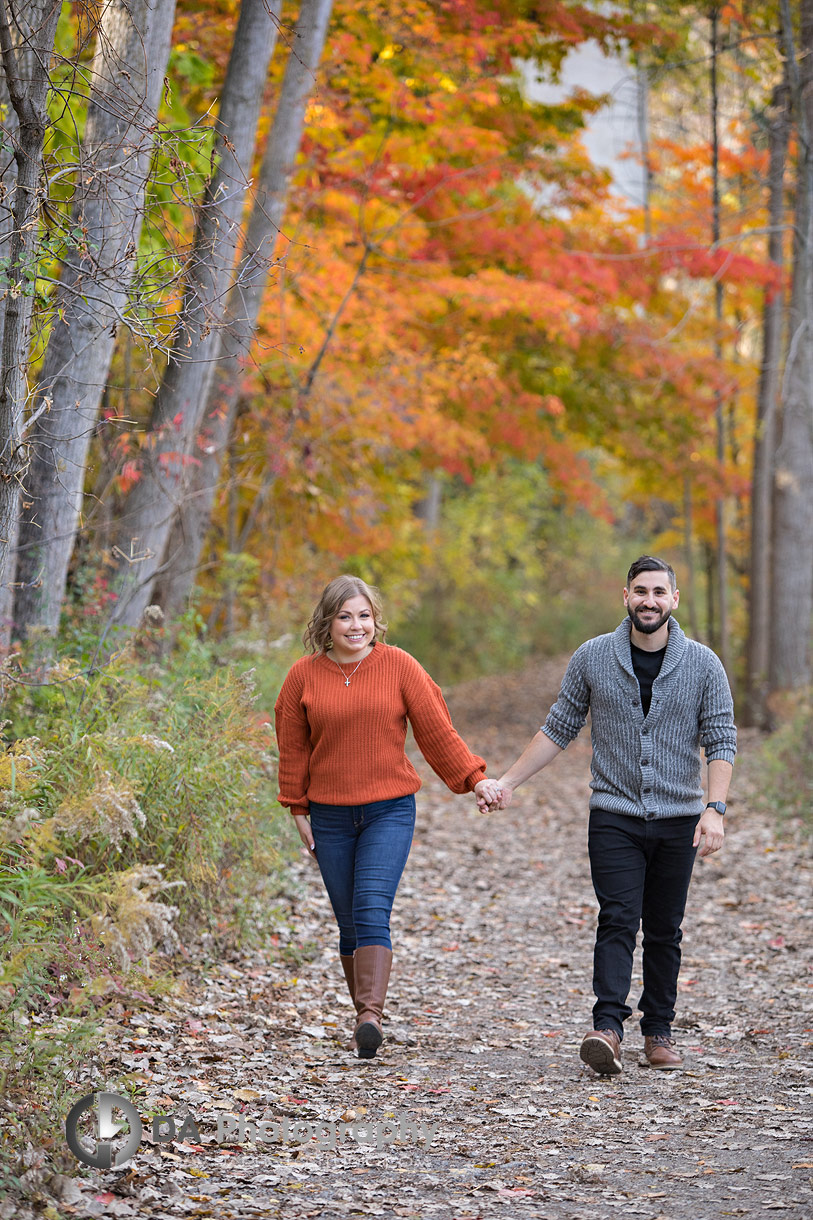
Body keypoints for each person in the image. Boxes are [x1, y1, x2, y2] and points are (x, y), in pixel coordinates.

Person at [479, 556, 736, 1074]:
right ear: (625, 596)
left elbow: (721, 740)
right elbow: (558, 727)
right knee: (617, 918)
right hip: (614, 813)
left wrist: (714, 809)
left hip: (677, 817)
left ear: (674, 600)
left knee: (665, 928)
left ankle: (658, 1031)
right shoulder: (594, 657)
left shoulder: (704, 665)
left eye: (659, 592)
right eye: (640, 591)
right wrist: (505, 782)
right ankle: (608, 1030)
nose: (649, 601)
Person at [275, 574, 501, 1059]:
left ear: (376, 619)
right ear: (327, 622)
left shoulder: (399, 666)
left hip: (389, 811)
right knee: (347, 921)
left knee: (370, 907)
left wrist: (475, 779)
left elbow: (437, 733)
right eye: (345, 617)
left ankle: (368, 1018)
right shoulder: (303, 676)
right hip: (329, 816)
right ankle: (365, 1016)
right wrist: (297, 808)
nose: (356, 626)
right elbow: (292, 747)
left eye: (364, 616)